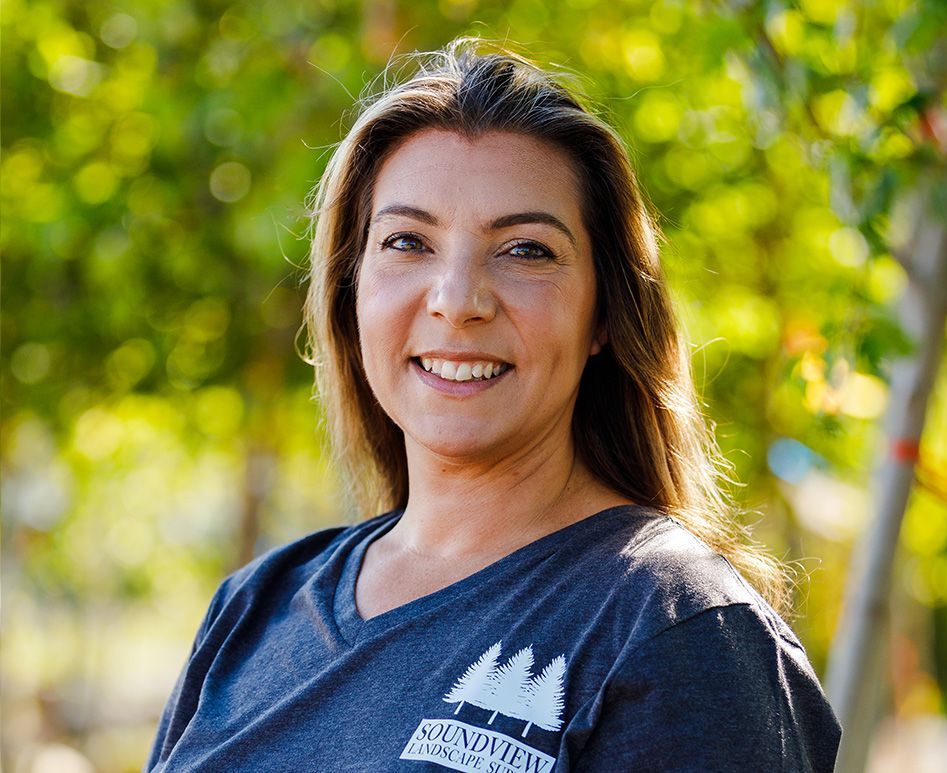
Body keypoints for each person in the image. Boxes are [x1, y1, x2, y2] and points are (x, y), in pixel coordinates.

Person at [145, 38, 841, 772]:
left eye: (526, 250)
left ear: (603, 312)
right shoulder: (256, 610)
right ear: (351, 292)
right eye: (408, 241)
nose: (457, 301)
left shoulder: (675, 624)